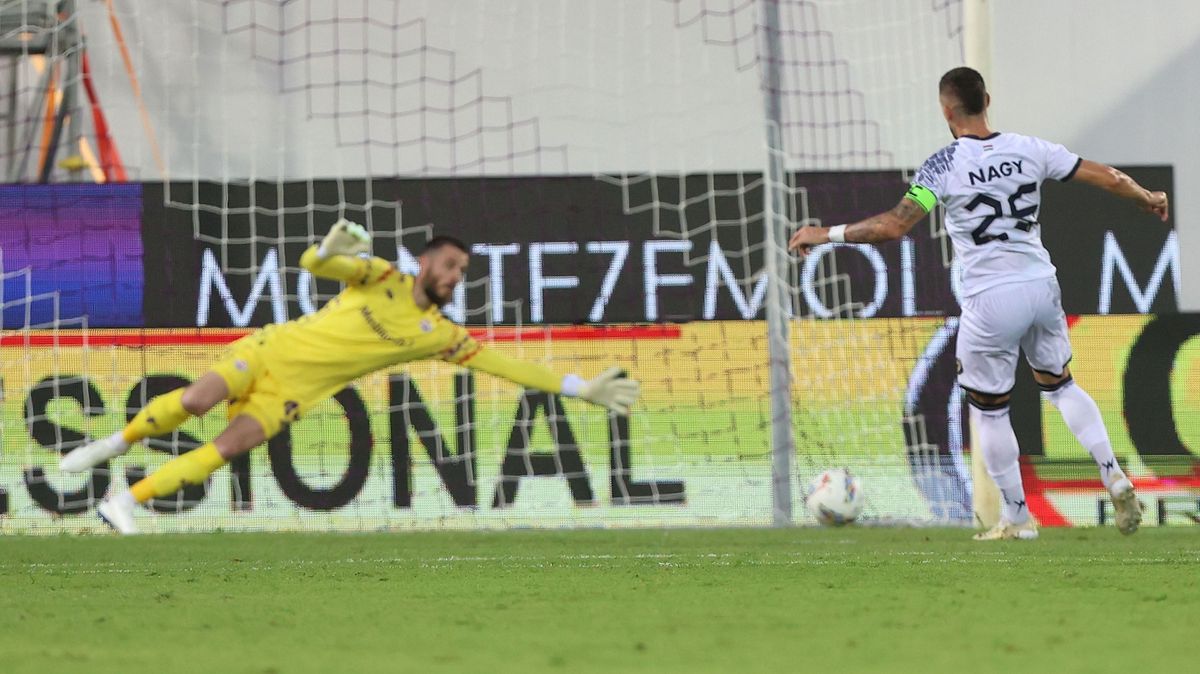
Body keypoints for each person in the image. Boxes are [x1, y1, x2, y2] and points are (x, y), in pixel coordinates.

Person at [788, 66, 1168, 540]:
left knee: (989, 410)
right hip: (1041, 285)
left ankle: (1016, 517)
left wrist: (825, 234)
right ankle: (1112, 472)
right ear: (987, 99)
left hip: (991, 297)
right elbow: (1107, 176)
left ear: (946, 110)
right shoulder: (1031, 149)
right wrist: (1145, 196)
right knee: (1062, 386)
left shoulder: (942, 166)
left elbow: (893, 226)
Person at [64, 221, 640, 534]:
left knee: (223, 449)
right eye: (449, 265)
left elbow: (508, 366)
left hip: (294, 395)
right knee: (194, 400)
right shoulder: (382, 277)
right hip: (269, 350)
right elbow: (318, 265)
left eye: (463, 271)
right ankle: (111, 445)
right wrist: (326, 249)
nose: (456, 275)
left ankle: (125, 503)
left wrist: (580, 387)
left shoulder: (439, 334)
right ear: (425, 262)